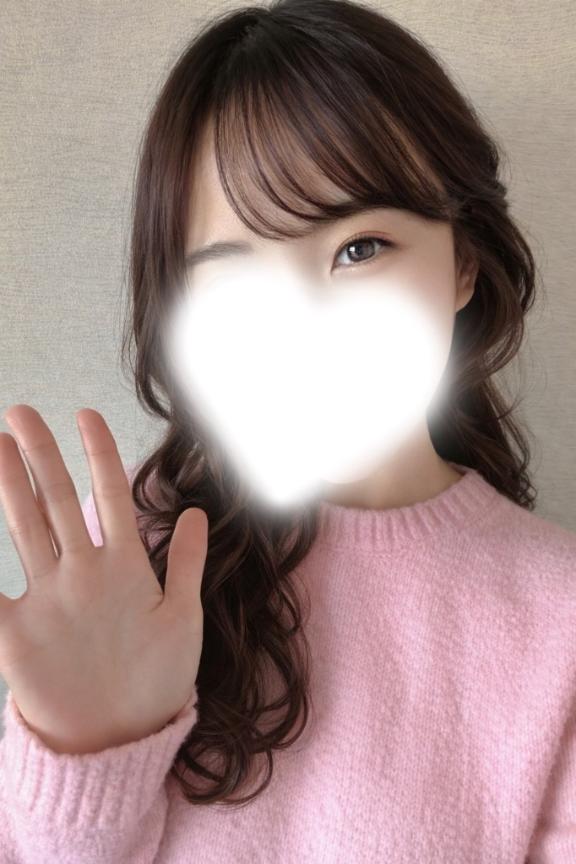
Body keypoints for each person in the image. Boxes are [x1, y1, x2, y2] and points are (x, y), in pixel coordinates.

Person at [1, 1, 575, 861]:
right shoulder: (126, 559)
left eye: (359, 248)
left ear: (463, 262)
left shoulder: (557, 618)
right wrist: (87, 762)